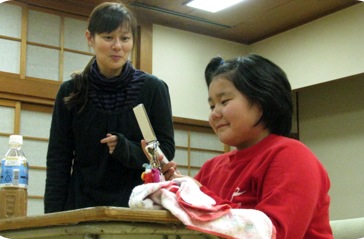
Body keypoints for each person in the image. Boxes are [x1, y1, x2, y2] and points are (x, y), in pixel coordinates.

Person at [150, 53, 333, 238]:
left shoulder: (292, 156)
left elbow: (274, 234)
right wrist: (173, 190)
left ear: (262, 101)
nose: (214, 114)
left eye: (224, 102)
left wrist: (200, 194)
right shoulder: (212, 168)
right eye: (212, 106)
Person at [44, 2, 175, 213]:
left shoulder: (153, 89)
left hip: (137, 207)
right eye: (108, 37)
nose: (117, 46)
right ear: (90, 38)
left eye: (125, 38)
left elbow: (165, 151)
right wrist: (51, 218)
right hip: (81, 207)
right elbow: (58, 160)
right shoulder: (71, 91)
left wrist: (127, 148)